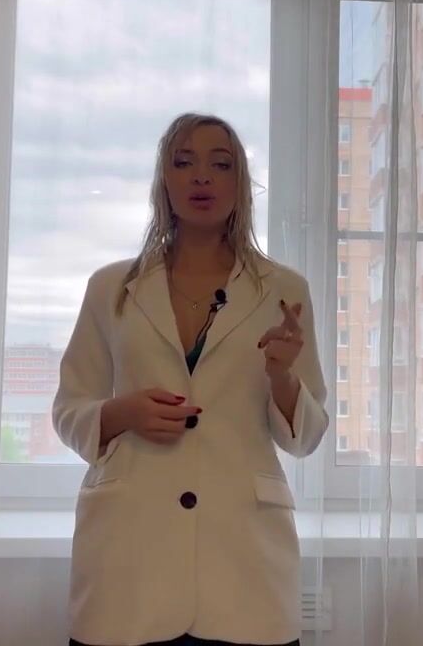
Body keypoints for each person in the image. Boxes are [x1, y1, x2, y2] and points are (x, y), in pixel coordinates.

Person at [53, 113, 329, 646]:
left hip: (244, 560)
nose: (201, 176)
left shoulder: (284, 290)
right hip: (129, 556)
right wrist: (121, 412)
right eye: (184, 162)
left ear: (240, 184)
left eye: (220, 164)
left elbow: (307, 436)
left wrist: (281, 377)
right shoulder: (111, 287)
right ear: (164, 180)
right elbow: (69, 410)